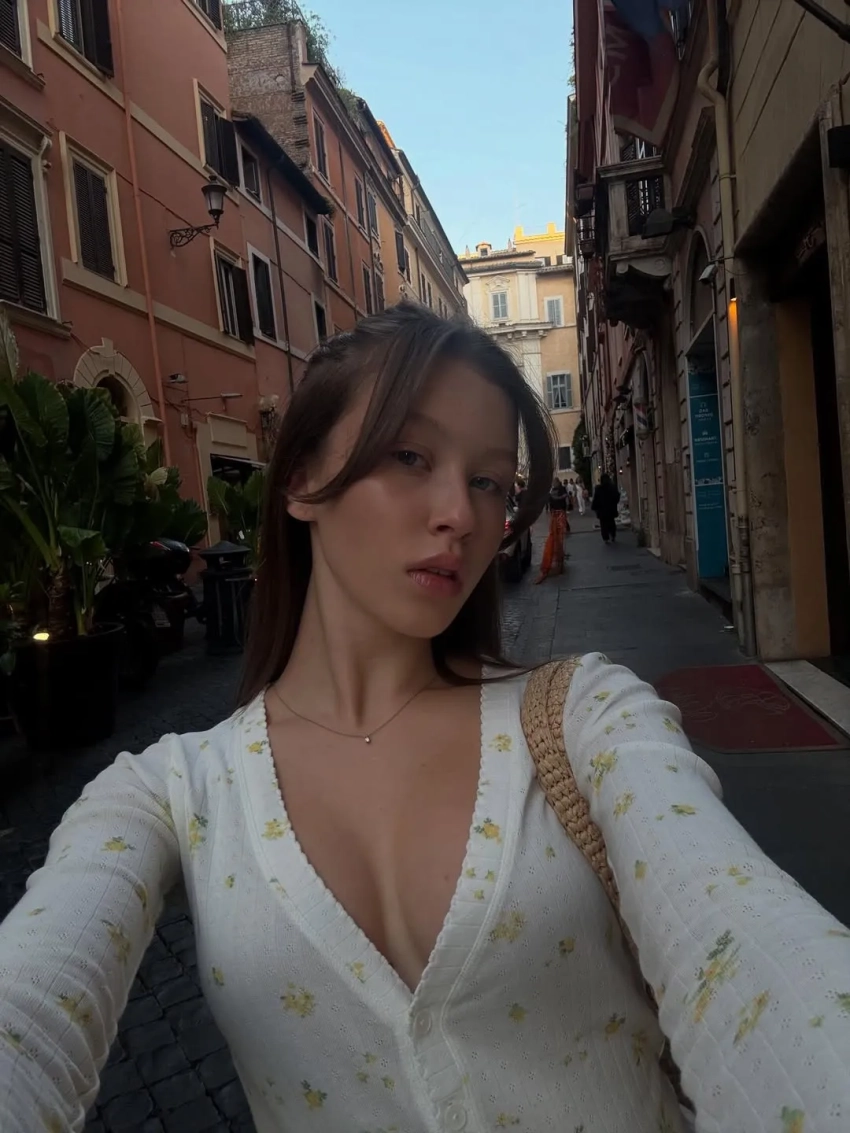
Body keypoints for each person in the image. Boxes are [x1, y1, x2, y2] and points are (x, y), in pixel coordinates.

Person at [1, 304, 848, 1133]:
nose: (463, 514)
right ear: (300, 480)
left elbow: (743, 940)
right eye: (410, 455)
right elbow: (29, 1011)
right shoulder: (168, 793)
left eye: (489, 480)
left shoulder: (585, 717)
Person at [535, 475, 570, 582]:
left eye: (555, 482)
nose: (554, 484)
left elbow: (563, 497)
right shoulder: (552, 490)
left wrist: (555, 499)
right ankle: (558, 559)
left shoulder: (560, 489)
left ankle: (559, 560)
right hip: (555, 513)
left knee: (559, 536)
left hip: (559, 512)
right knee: (555, 536)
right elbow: (551, 500)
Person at [592, 471, 620, 544]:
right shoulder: (612, 487)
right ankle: (613, 535)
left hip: (602, 510)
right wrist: (614, 503)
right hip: (611, 509)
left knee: (603, 524)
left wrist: (594, 507)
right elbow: (617, 496)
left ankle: (606, 538)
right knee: (611, 522)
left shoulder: (599, 488)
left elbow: (596, 499)